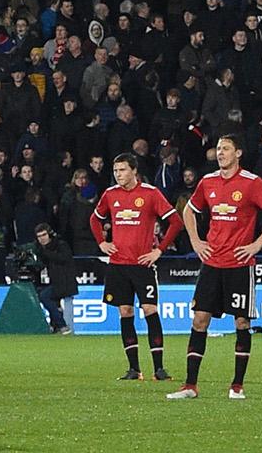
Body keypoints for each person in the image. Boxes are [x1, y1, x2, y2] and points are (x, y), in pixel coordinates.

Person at [167, 131, 262, 402]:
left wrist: (257, 244)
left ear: (238, 153)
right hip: (212, 262)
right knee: (199, 320)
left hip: (240, 264)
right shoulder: (207, 182)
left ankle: (237, 386)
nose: (220, 153)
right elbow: (188, 210)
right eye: (218, 148)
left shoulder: (251, 182)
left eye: (225, 148)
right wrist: (196, 240)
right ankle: (190, 385)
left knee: (242, 321)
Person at [90, 150, 183, 381]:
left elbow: (175, 221)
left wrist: (158, 250)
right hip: (118, 264)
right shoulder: (111, 195)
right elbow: (95, 219)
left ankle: (159, 368)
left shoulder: (150, 194)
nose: (118, 174)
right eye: (115, 170)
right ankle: (134, 369)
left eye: (122, 170)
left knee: (150, 310)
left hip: (142, 264)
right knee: (125, 312)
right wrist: (102, 243)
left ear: (134, 171)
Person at [30, 224, 78, 334]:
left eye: (44, 235)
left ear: (50, 234)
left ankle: (63, 325)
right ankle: (58, 325)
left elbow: (63, 258)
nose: (42, 238)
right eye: (39, 236)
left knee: (44, 296)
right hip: (56, 281)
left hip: (65, 281)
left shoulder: (61, 245)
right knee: (49, 298)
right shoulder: (42, 249)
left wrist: (44, 253)